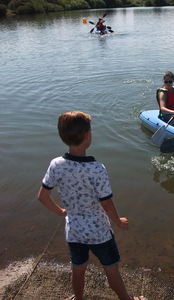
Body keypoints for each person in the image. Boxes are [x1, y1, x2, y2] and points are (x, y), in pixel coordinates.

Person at [37, 111, 145, 300]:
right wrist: (118, 221)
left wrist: (62, 212)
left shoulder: (56, 165)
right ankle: (126, 299)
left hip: (74, 232)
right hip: (99, 232)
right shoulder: (96, 169)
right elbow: (106, 203)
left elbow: (43, 197)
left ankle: (78, 298)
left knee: (78, 269)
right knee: (111, 269)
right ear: (87, 136)